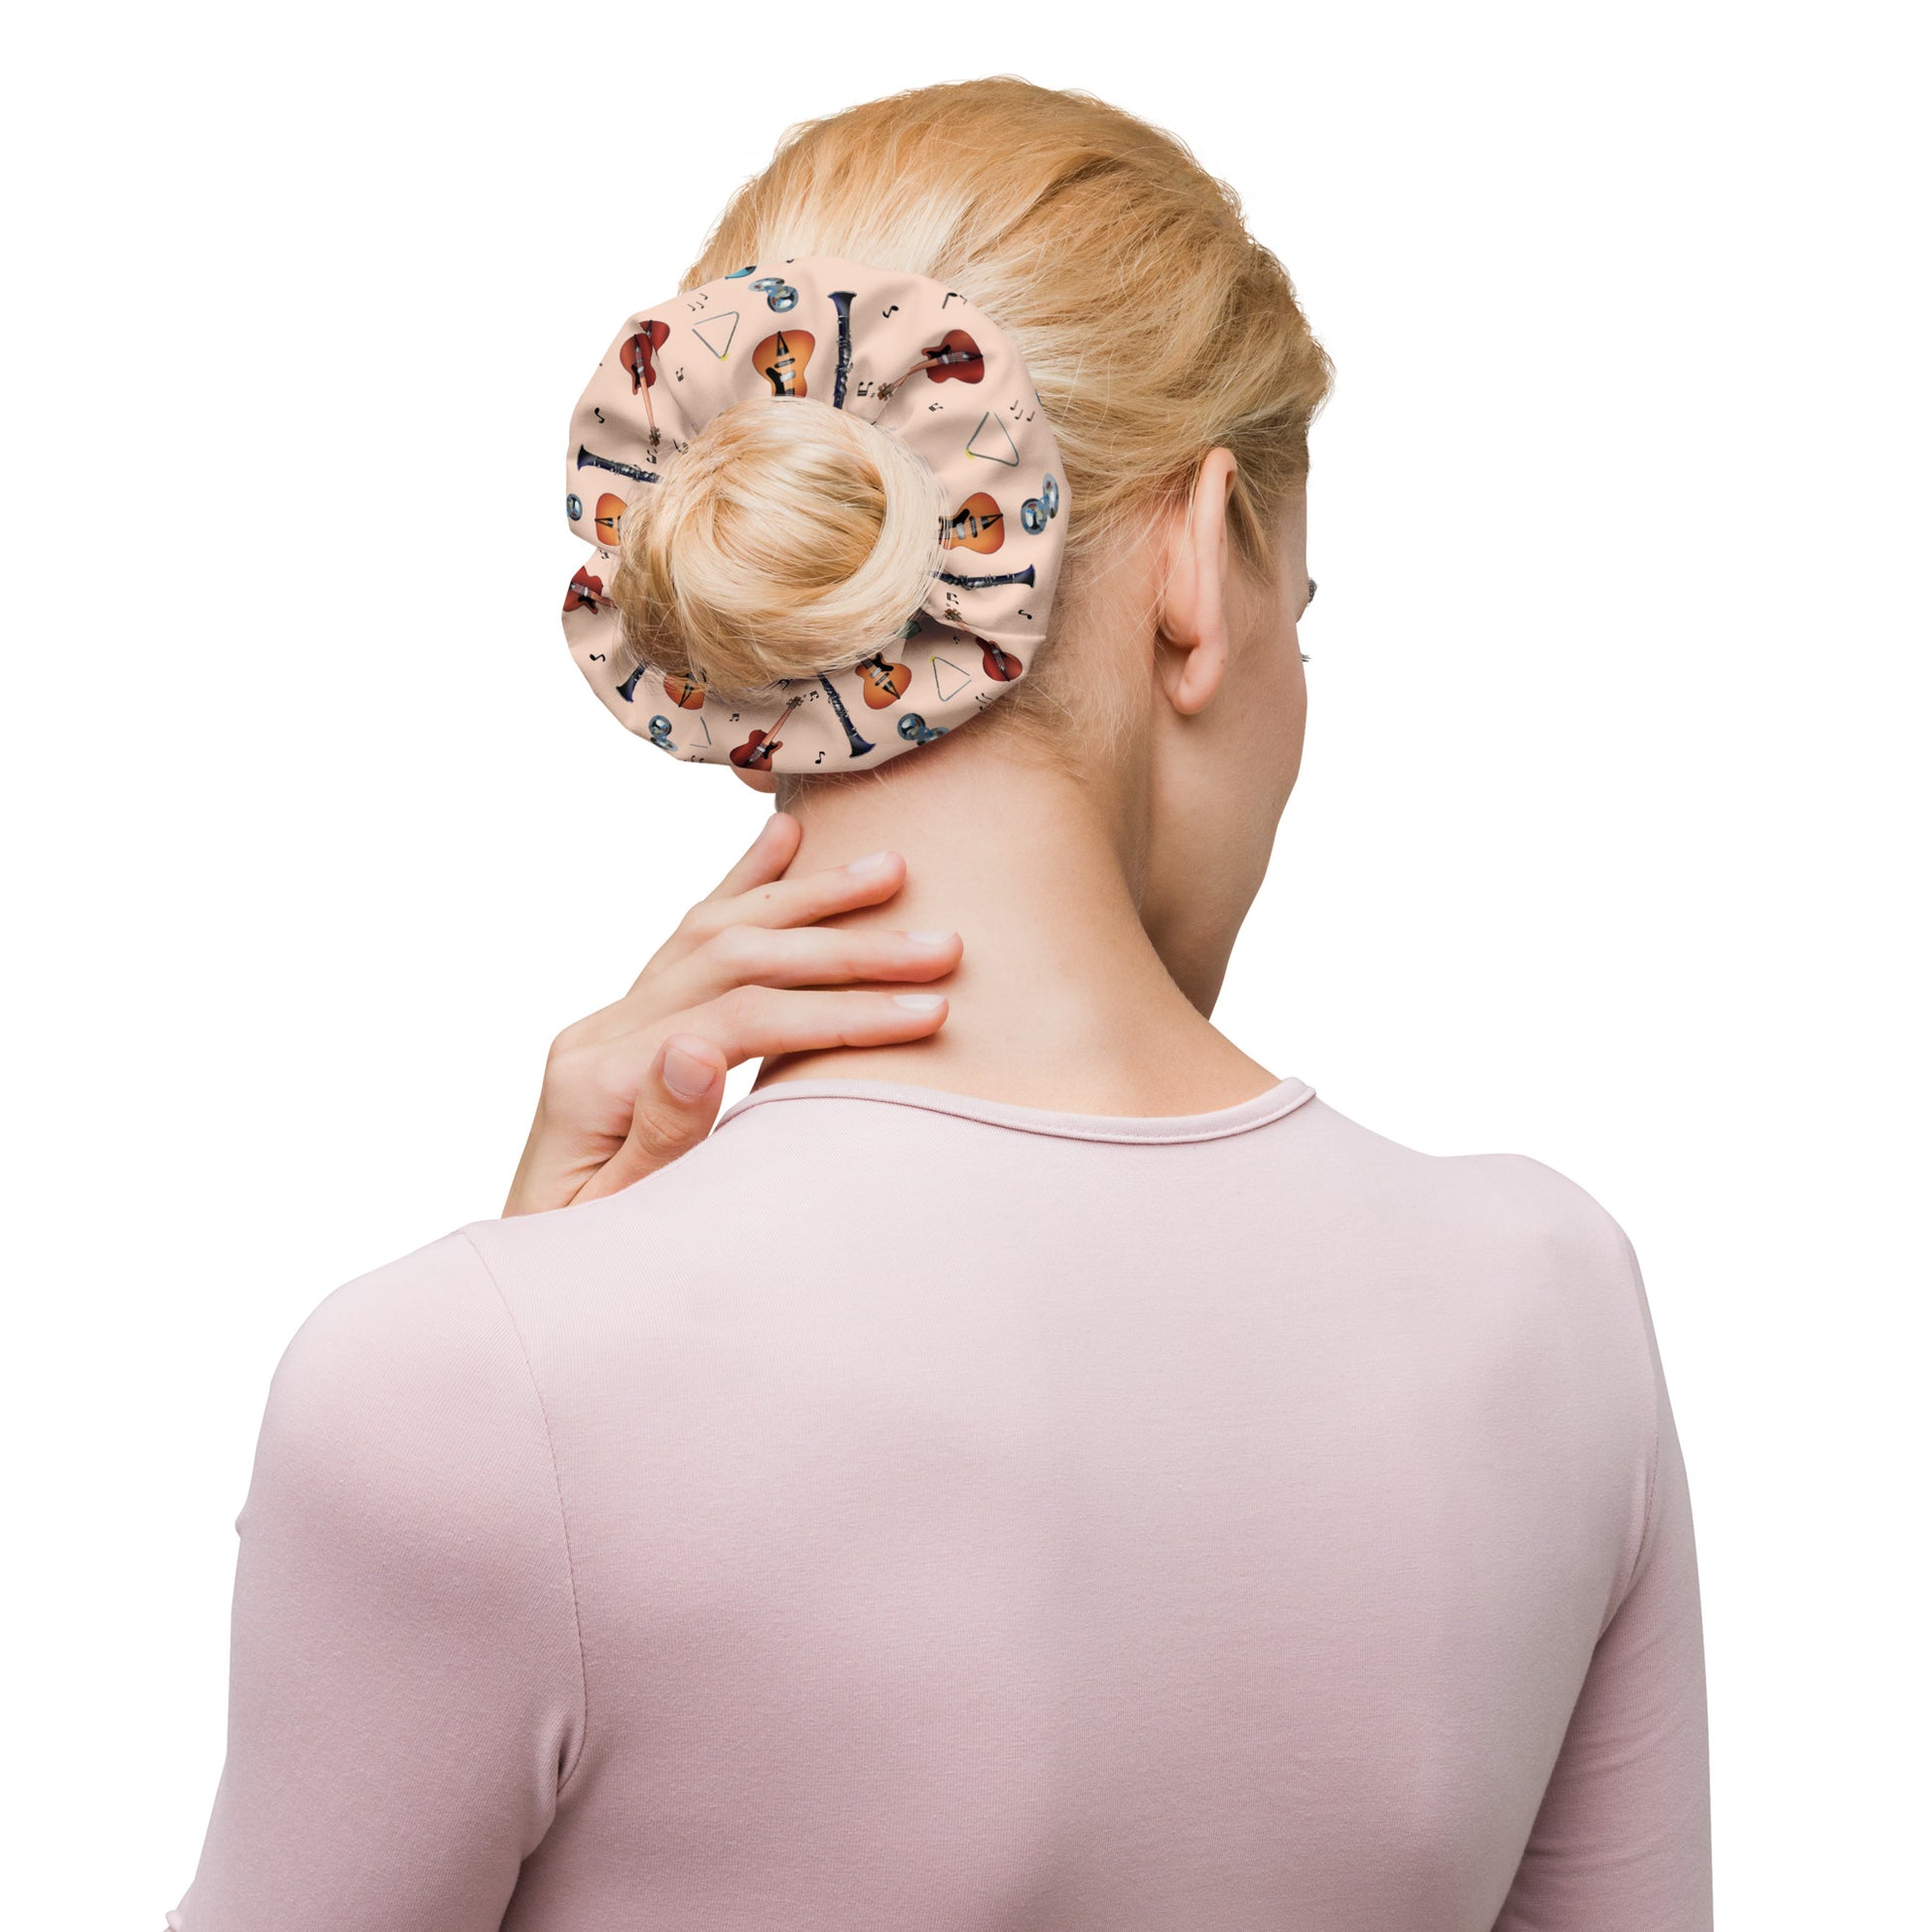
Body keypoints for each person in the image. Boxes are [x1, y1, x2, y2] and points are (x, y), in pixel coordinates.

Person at [169, 76, 1712, 1932]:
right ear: (1200, 568)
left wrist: (534, 1327)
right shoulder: (1549, 1301)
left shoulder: (455, 1389)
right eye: (1303, 611)